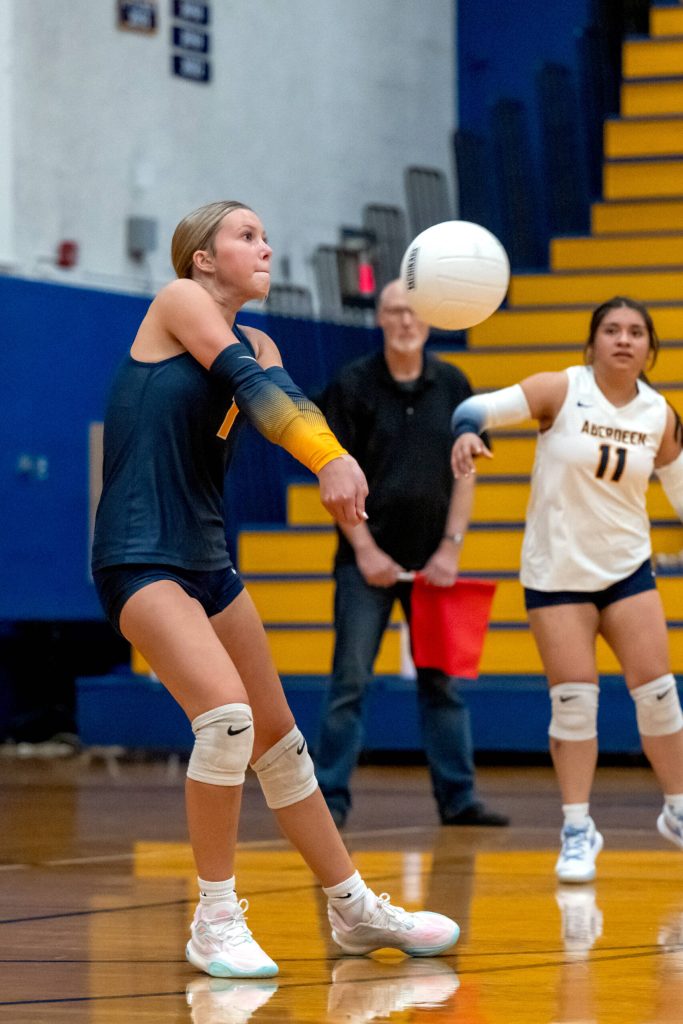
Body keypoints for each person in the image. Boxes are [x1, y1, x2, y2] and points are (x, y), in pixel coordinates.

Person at [91, 201, 460, 978]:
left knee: (280, 743)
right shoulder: (179, 303)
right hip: (138, 554)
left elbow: (278, 405)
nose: (266, 248)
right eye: (247, 237)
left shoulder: (259, 339)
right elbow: (245, 386)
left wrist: (325, 451)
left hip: (206, 559)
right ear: (201, 257)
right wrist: (329, 460)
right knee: (225, 720)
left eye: (264, 236)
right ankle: (214, 918)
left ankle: (352, 907)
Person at [451, 295, 683, 883]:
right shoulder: (560, 389)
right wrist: (467, 433)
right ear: (592, 342)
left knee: (658, 693)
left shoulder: (660, 414)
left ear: (651, 349)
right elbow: (475, 408)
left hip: (627, 569)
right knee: (575, 703)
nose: (624, 339)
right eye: (611, 330)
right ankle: (578, 827)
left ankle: (678, 810)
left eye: (635, 332)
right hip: (557, 573)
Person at [314, 278, 509, 830]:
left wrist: (450, 549)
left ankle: (459, 800)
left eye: (413, 312)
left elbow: (466, 475)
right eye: (394, 311)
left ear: (429, 319)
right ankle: (329, 801)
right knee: (349, 682)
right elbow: (332, 479)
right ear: (379, 317)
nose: (405, 321)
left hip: (434, 567)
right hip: (364, 564)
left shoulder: (454, 385)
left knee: (440, 685)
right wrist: (367, 549)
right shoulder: (350, 385)